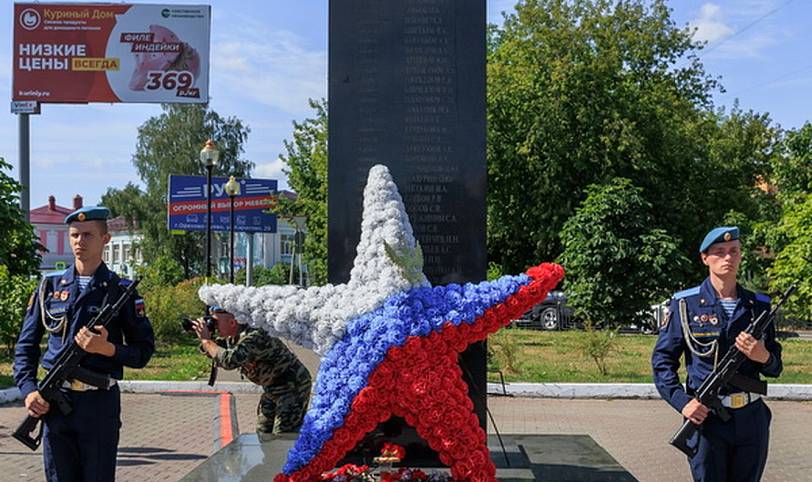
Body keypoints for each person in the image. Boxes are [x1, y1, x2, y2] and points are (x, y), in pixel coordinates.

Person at [13, 206, 155, 482]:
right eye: (75, 235)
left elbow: (143, 352)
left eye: (88, 235)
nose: (80, 242)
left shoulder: (120, 291)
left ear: (105, 239)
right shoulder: (49, 287)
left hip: (99, 405)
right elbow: (25, 346)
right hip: (56, 402)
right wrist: (29, 391)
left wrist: (108, 349)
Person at [652, 226, 782, 482]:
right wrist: (683, 402)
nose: (728, 258)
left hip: (751, 418)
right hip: (707, 418)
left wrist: (762, 356)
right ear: (705, 258)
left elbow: (775, 367)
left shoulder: (759, 306)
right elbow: (662, 362)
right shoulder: (684, 305)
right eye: (719, 252)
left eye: (734, 251)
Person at [192, 307, 312, 438]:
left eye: (215, 322)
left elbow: (229, 360)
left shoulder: (255, 336)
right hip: (272, 388)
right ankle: (269, 458)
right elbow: (218, 351)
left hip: (292, 387)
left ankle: (289, 457)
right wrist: (205, 337)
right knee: (263, 433)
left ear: (232, 322)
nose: (213, 326)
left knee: (283, 437)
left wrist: (206, 341)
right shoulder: (234, 337)